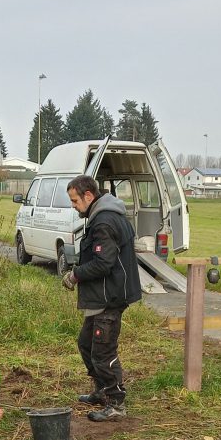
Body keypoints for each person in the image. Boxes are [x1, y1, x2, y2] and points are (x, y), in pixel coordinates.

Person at [62, 175, 141, 422]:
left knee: (103, 352)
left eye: (75, 200)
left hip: (110, 297)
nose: (73, 206)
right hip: (104, 296)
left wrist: (75, 275)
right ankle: (101, 390)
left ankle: (116, 403)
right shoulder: (103, 216)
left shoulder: (104, 222)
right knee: (86, 343)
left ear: (88, 196)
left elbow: (103, 263)